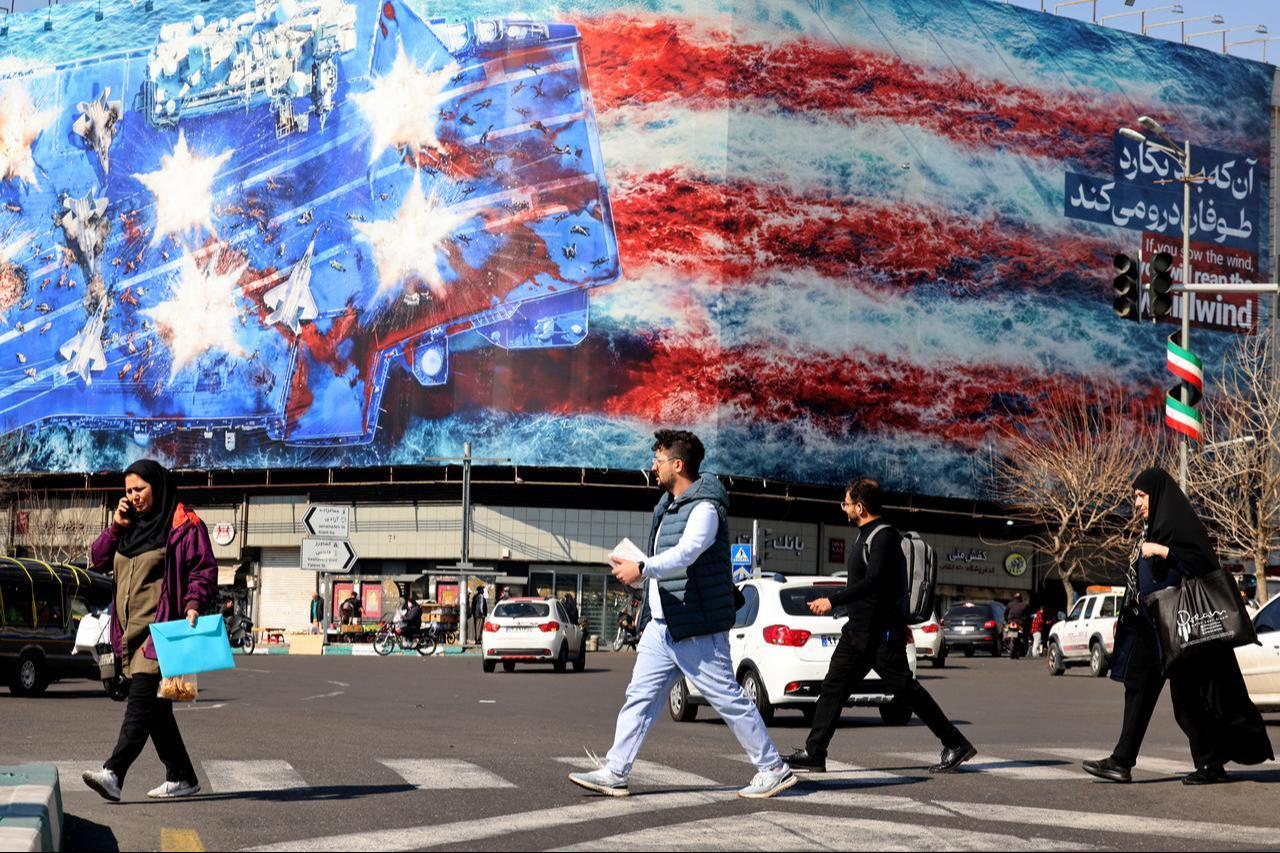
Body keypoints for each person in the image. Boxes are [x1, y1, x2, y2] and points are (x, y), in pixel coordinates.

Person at [568, 429, 797, 799]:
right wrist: (641, 578)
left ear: (677, 464)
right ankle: (615, 771)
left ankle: (773, 768)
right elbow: (668, 568)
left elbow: (688, 553)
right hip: (662, 627)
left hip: (696, 627)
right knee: (638, 698)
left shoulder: (705, 508)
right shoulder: (667, 507)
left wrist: (641, 567)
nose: (653, 467)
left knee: (727, 699)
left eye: (658, 460)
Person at [1082, 468, 1273, 785]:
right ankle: (1121, 761)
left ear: (1157, 496)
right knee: (1138, 689)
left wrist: (1163, 551)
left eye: (1141, 496)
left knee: (1187, 702)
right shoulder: (1151, 529)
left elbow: (1204, 565)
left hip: (1181, 628)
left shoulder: (1176, 528)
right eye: (1135, 497)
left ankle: (1211, 764)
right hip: (1151, 627)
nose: (1137, 503)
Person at [785, 478, 976, 774]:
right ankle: (815, 752)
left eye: (846, 503)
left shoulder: (885, 537)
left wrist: (832, 601)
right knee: (834, 687)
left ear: (860, 507)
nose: (843, 508)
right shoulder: (865, 535)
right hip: (857, 632)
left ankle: (955, 743)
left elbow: (873, 583)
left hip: (881, 633)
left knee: (906, 690)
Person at [82, 459, 217, 802]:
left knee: (140, 703)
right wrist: (115, 527)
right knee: (157, 711)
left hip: (161, 633)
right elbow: (97, 560)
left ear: (157, 486)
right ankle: (182, 775)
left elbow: (202, 568)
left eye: (140, 489)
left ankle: (114, 773)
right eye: (129, 491)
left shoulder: (184, 524)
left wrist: (194, 604)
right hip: (127, 634)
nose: (134, 496)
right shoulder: (128, 527)